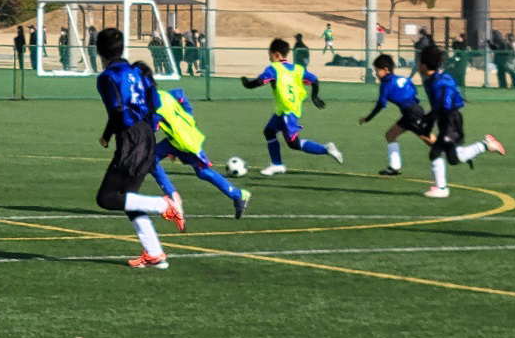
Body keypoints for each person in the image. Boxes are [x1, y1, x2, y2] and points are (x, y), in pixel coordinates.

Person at [93, 27, 185, 269]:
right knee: (130, 199)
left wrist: (107, 135)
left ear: (99, 51)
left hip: (131, 140)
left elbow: (118, 111)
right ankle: (155, 253)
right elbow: (155, 104)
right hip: (146, 135)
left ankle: (164, 205)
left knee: (107, 198)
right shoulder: (138, 70)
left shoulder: (107, 77)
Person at [133, 61, 250, 219]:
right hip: (179, 139)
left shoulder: (153, 109)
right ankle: (176, 197)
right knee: (153, 159)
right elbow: (180, 94)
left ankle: (237, 195)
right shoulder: (164, 95)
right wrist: (187, 118)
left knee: (202, 172)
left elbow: (151, 130)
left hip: (186, 142)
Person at [241, 37, 343, 176]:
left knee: (294, 144)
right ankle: (277, 164)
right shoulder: (298, 69)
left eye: (270, 54)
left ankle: (326, 148)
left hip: (287, 112)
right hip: (286, 110)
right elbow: (314, 80)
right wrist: (314, 96)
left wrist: (247, 84)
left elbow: (259, 81)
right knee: (269, 132)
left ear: (276, 54)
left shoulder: (274, 68)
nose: (269, 58)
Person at [417, 45, 506, 199]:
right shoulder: (432, 80)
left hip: (450, 119)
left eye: (419, 63)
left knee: (437, 152)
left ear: (424, 65)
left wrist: (428, 121)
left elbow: (444, 105)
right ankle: (485, 145)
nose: (417, 66)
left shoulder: (439, 82)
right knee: (451, 158)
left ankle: (442, 188)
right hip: (447, 118)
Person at [359, 54, 431, 176]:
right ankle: (394, 167)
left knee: (429, 140)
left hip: (412, 114)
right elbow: (413, 91)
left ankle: (456, 152)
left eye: (377, 70)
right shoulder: (402, 78)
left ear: (386, 70)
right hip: (413, 112)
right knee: (390, 135)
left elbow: (381, 104)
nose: (376, 74)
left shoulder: (386, 84)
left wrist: (368, 118)